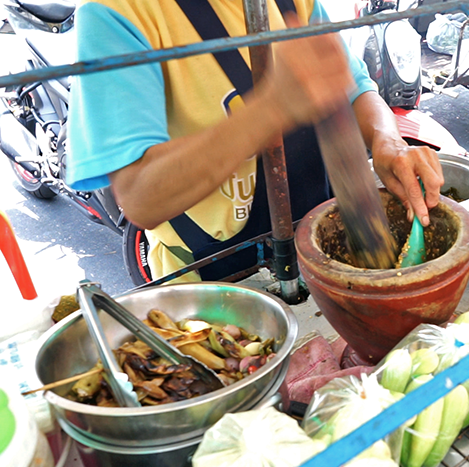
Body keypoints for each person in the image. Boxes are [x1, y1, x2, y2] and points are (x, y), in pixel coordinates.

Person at [66, 0, 444, 282]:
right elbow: (140, 195)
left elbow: (351, 83)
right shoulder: (116, 13)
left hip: (325, 248)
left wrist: (386, 140)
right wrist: (272, 106)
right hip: (217, 279)